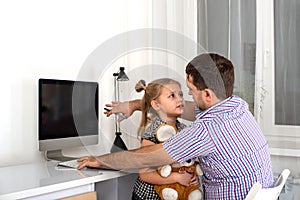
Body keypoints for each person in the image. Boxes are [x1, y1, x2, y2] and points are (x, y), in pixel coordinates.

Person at [77, 53, 274, 199]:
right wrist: (135, 105)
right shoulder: (237, 107)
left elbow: (148, 157)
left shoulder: (207, 130)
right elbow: (182, 109)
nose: (187, 96)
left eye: (190, 90)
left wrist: (101, 160)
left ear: (207, 94)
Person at [129, 78, 200, 200]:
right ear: (156, 105)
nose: (180, 99)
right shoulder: (152, 134)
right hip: (149, 197)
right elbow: (145, 174)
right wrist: (177, 178)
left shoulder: (183, 129)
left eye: (180, 94)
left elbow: (187, 162)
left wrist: (192, 177)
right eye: (172, 96)